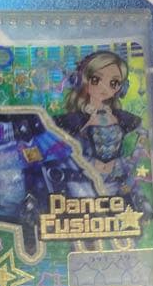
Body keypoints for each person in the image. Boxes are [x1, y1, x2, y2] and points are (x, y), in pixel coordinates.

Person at [55, 51, 146, 201]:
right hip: (84, 182)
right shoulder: (76, 119)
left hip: (116, 179)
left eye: (113, 82)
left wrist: (135, 157)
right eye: (96, 79)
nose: (104, 87)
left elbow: (144, 132)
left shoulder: (121, 117)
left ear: (122, 87)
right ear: (82, 81)